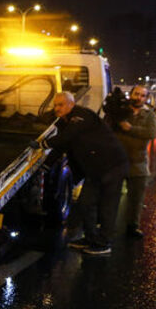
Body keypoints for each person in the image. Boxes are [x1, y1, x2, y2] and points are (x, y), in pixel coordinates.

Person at [36, 91, 128, 256]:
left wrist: (42, 144)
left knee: (107, 206)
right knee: (85, 204)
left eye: (61, 104)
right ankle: (90, 238)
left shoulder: (81, 116)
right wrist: (46, 166)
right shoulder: (65, 122)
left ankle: (104, 243)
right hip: (94, 170)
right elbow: (62, 146)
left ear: (71, 104)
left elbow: (66, 137)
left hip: (112, 166)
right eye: (55, 105)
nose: (57, 108)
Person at [111, 85, 156, 238]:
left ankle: (132, 227)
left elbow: (151, 132)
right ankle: (106, 225)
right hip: (117, 161)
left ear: (146, 98)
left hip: (138, 163)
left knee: (136, 198)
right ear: (131, 95)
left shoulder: (149, 114)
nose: (139, 97)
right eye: (136, 94)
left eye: (142, 95)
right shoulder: (121, 111)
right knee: (110, 196)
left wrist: (130, 129)